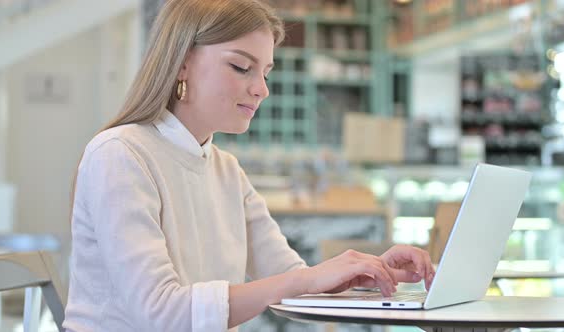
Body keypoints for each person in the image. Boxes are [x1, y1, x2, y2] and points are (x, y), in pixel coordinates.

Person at [63, 0, 435, 331]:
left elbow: (290, 279)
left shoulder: (226, 170)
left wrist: (364, 274)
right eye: (242, 67)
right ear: (181, 64)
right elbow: (162, 314)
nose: (262, 88)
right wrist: (305, 282)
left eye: (266, 72)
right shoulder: (120, 154)